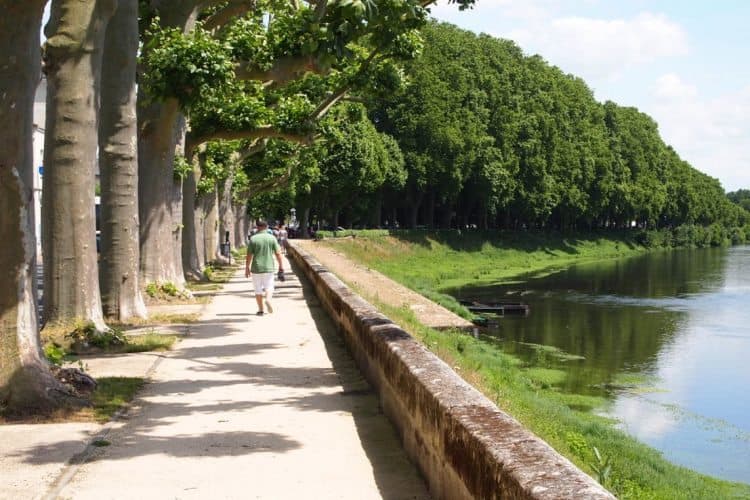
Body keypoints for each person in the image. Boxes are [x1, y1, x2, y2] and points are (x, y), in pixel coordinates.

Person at [245, 220, 284, 316]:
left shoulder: (253, 239)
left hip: (256, 268)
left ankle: (261, 310)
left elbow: (249, 255)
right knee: (269, 287)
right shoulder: (272, 238)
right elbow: (278, 254)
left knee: (258, 289)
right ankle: (268, 299)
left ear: (257, 227)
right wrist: (281, 266)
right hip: (269, 267)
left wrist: (247, 267)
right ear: (266, 227)